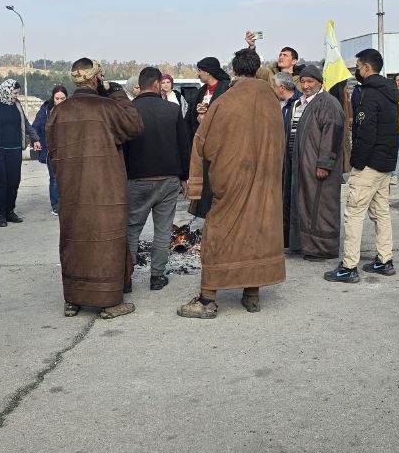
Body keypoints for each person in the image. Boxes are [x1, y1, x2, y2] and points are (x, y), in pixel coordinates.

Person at [180, 48, 285, 316]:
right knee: (256, 233)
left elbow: (204, 144)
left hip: (231, 182)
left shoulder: (225, 101)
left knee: (219, 233)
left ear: (235, 71)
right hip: (265, 182)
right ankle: (251, 295)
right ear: (257, 69)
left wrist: (197, 184)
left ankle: (207, 300)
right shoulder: (272, 102)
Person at [49, 60, 144, 318]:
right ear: (95, 79)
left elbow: (53, 151)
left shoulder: (59, 111)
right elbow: (134, 125)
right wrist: (117, 93)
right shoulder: (107, 107)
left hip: (71, 188)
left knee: (74, 239)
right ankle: (108, 302)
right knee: (106, 241)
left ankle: (73, 300)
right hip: (105, 189)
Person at [325, 48, 398, 283]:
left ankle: (349, 266)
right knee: (381, 212)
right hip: (386, 162)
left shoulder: (368, 93)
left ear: (366, 67)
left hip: (369, 165)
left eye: (357, 67)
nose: (356, 71)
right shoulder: (390, 91)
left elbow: (366, 131)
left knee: (354, 214)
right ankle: (384, 260)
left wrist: (357, 162)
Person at [125, 67, 190, 291]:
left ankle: (125, 278)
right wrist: (184, 177)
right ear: (156, 84)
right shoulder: (172, 110)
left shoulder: (128, 110)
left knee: (132, 229)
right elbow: (184, 146)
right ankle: (157, 277)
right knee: (162, 230)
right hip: (168, 178)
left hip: (137, 179)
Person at [286, 65, 346, 261]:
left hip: (319, 167)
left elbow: (332, 135)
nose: (305, 86)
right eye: (302, 82)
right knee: (305, 204)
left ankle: (322, 248)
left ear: (320, 83)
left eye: (310, 81)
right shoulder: (303, 103)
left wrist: (324, 164)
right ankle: (304, 245)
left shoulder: (328, 103)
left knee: (320, 206)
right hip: (305, 164)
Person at [0, 78, 41, 227]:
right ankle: (0, 214)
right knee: (0, 183)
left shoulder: (16, 104)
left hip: (15, 149)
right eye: (14, 93)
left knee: (13, 182)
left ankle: (10, 211)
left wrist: (35, 138)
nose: (16, 96)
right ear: (6, 90)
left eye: (17, 93)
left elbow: (25, 123)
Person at [273, 71, 301, 247]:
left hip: (293, 158)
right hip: (279, 159)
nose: (272, 89)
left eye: (274, 86)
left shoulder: (300, 103)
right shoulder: (275, 103)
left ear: (282, 88)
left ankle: (292, 238)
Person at [32, 85, 68, 216]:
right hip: (51, 150)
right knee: (54, 178)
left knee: (68, 178)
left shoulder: (71, 110)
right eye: (57, 98)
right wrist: (36, 140)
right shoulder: (45, 110)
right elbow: (35, 126)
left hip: (68, 150)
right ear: (53, 98)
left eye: (63, 98)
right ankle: (56, 205)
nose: (60, 101)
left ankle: (68, 203)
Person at [188, 56, 231, 137]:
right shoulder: (200, 92)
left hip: (221, 137)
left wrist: (207, 119)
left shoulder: (227, 90)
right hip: (203, 137)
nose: (198, 74)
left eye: (200, 70)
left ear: (207, 72)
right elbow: (190, 117)